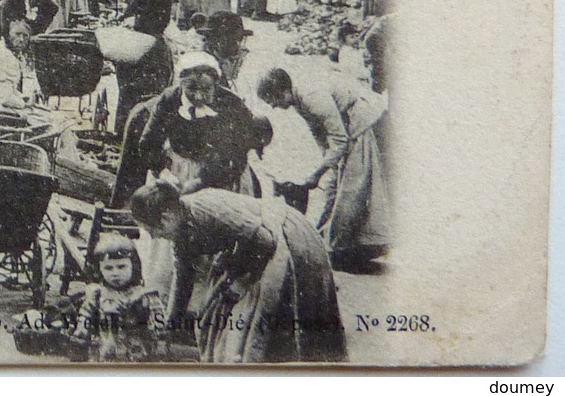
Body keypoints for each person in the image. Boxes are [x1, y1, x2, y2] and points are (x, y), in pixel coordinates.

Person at [129, 182, 346, 363]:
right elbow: (183, 276)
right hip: (251, 244)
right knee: (217, 304)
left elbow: (266, 242)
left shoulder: (208, 209)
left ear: (166, 217)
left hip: (281, 235)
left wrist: (240, 283)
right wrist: (170, 322)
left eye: (153, 231)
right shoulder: (180, 232)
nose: (155, 237)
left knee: (264, 301)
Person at [256, 67, 390, 269]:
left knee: (353, 189)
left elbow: (339, 139)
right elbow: (320, 135)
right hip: (347, 129)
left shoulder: (311, 96)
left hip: (364, 122)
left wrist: (318, 173)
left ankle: (345, 249)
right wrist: (324, 166)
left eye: (272, 100)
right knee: (335, 185)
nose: (274, 106)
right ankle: (331, 242)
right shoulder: (299, 101)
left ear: (282, 91)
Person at [112, 51, 263, 208]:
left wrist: (202, 181)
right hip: (178, 171)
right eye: (191, 88)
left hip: (219, 173)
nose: (198, 96)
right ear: (181, 84)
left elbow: (237, 153)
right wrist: (163, 172)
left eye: (206, 89)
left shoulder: (231, 105)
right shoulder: (169, 100)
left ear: (216, 84)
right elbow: (149, 143)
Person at [74, 236, 161, 361]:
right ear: (99, 269)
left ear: (134, 266)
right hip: (106, 353)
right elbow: (85, 316)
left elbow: (159, 321)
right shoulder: (97, 294)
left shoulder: (145, 295)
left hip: (138, 355)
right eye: (108, 268)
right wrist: (82, 332)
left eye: (121, 267)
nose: (115, 273)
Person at [113, 0, 175, 133]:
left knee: (134, 87)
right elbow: (130, 11)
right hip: (145, 42)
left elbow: (155, 23)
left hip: (146, 45)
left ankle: (128, 128)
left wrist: (131, 23)